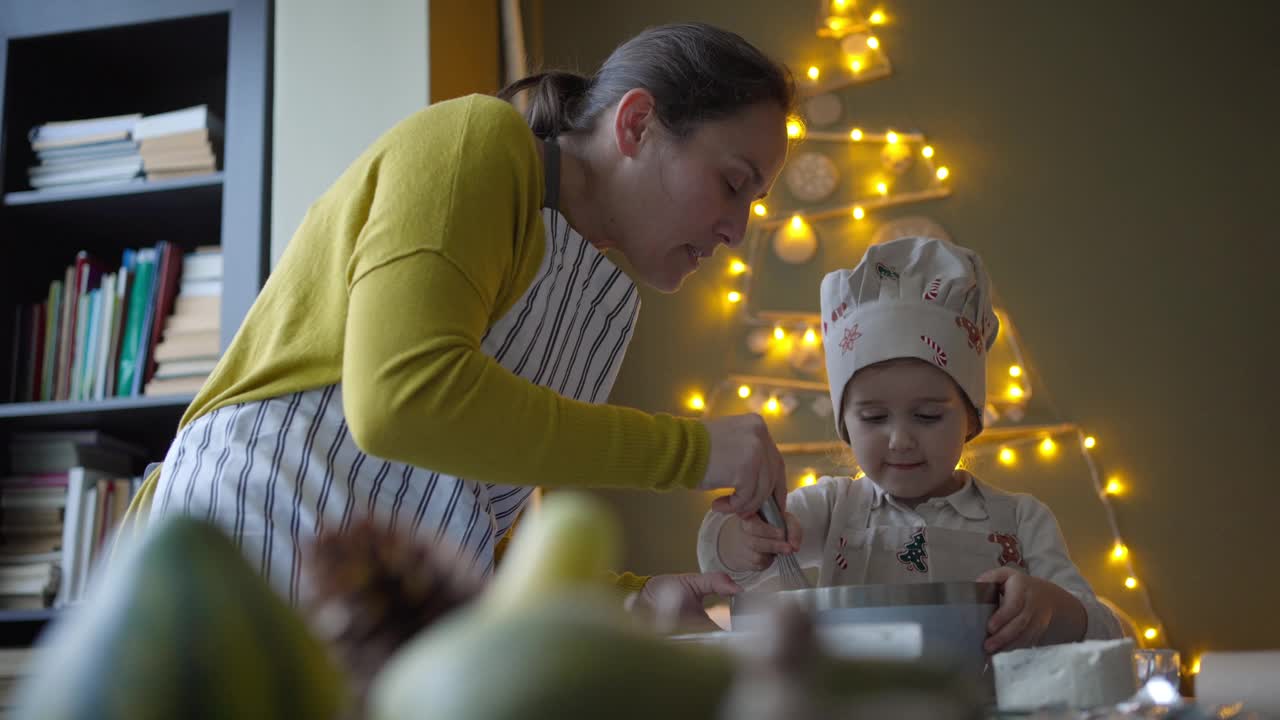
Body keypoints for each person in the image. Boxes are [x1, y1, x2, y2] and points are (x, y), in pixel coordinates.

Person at [121, 23, 795, 620]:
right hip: (245, 554)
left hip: (377, 608)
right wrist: (693, 452)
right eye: (732, 184)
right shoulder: (478, 142)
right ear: (637, 123)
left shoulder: (601, 308)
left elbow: (460, 528)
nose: (737, 230)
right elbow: (401, 402)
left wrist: (630, 598)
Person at [698, 236, 1124, 651]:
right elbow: (718, 557)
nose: (901, 440)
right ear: (845, 424)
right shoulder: (831, 509)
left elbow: (1109, 632)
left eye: (927, 416)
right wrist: (747, 539)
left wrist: (1052, 609)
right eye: (874, 417)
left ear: (971, 419)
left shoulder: (1022, 520)